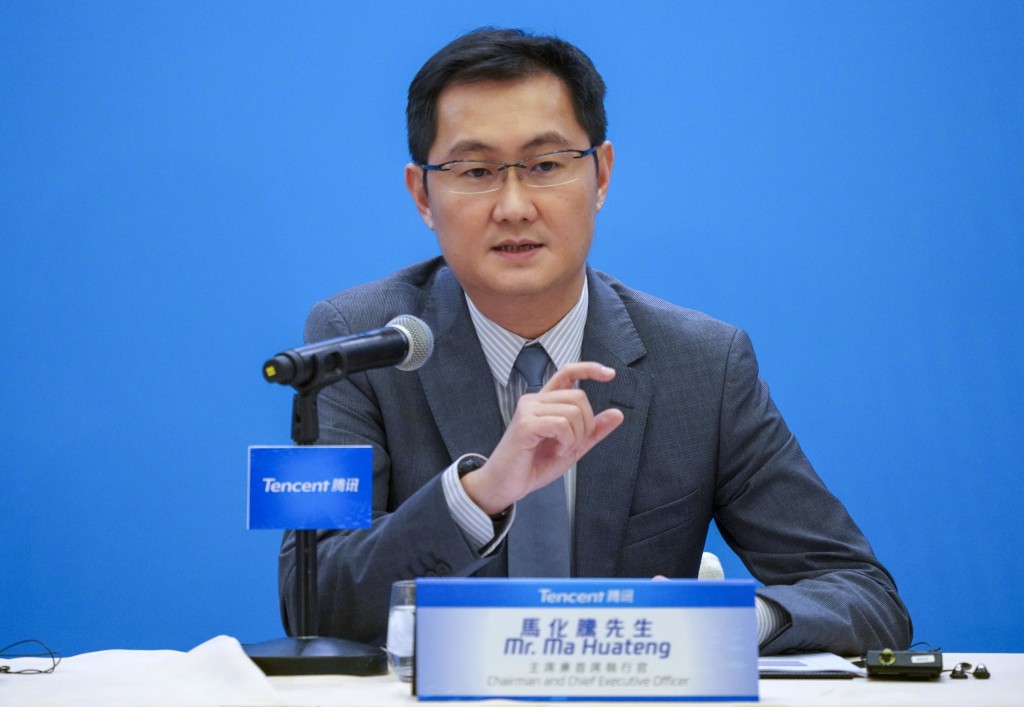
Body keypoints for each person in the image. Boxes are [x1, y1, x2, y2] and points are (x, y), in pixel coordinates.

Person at [279, 27, 912, 656]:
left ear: (601, 175)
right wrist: (479, 495)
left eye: (545, 166)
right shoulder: (357, 346)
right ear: (423, 194)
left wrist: (734, 622)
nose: (514, 206)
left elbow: (862, 594)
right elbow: (314, 601)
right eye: (476, 171)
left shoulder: (701, 366)